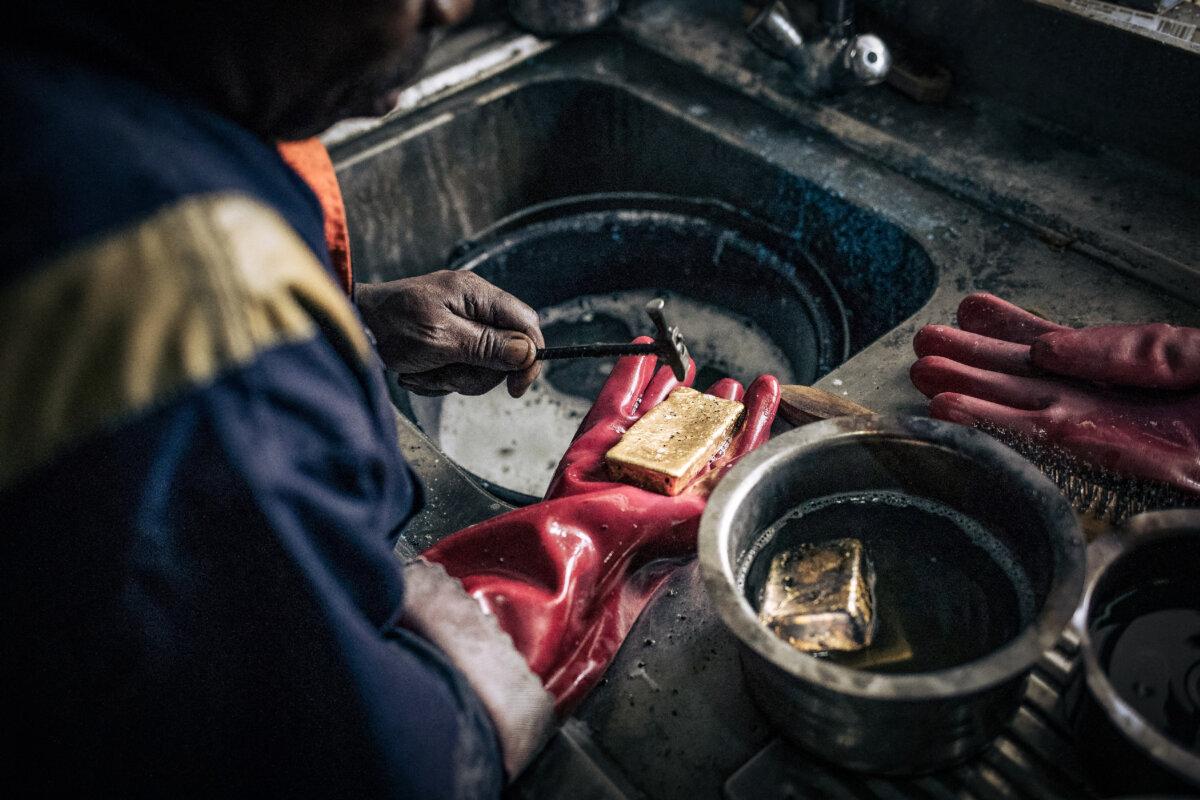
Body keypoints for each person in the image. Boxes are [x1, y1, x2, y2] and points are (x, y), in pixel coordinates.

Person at [2, 1, 558, 795]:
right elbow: (368, 766)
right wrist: (480, 702)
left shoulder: (63, 79)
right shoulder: (194, 314)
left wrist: (348, 329)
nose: (452, 6)